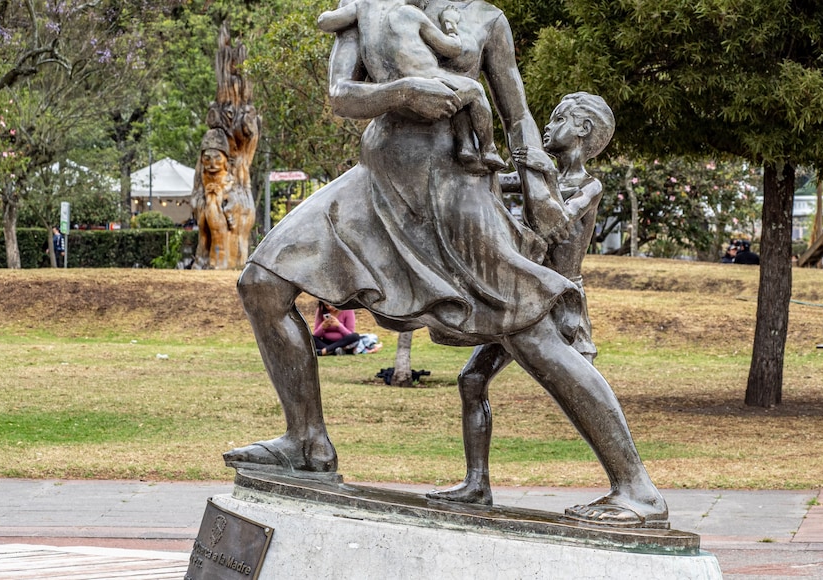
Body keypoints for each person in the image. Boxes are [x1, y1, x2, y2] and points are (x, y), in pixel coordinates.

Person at [225, 0, 667, 528]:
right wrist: (400, 94)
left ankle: (636, 488)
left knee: (531, 335)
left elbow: (518, 117)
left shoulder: (486, 20)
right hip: (374, 185)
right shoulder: (365, 12)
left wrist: (539, 189)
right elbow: (341, 95)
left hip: (456, 194)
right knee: (261, 283)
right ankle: (306, 442)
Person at [425, 92, 614, 507]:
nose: (547, 127)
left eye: (559, 119)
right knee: (472, 379)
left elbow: (558, 223)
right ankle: (477, 484)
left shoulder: (589, 184)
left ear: (582, 130)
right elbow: (489, 184)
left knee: (575, 390)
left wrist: (538, 172)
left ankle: (627, 484)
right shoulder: (537, 178)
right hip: (523, 294)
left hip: (556, 301)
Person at [317, 0, 506, 172]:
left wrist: (332, 18)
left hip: (398, 96)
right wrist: (450, 23)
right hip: (429, 83)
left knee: (457, 99)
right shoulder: (412, 14)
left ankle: (466, 148)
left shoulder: (362, 5)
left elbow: (325, 21)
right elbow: (453, 48)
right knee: (474, 91)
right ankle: (488, 149)